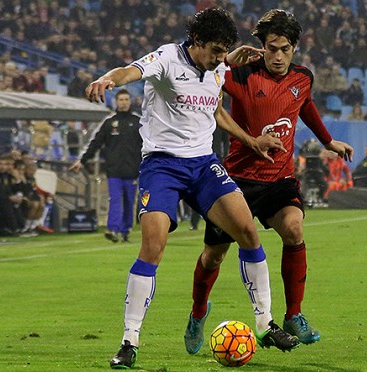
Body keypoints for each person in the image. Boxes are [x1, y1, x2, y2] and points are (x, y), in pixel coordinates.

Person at [84, 8, 296, 369]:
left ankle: (264, 325)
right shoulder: (167, 57)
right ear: (196, 41)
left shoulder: (217, 66)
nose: (219, 58)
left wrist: (250, 140)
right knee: (153, 246)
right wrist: (108, 79)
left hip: (203, 165)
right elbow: (130, 71)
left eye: (223, 51)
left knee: (248, 231)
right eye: (215, 50)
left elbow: (215, 111)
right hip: (162, 165)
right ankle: (129, 341)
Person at [185, 9, 354, 355]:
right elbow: (206, 80)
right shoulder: (241, 75)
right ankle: (198, 312)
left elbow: (305, 106)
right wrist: (227, 62)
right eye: (272, 49)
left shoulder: (303, 78)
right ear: (261, 47)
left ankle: (294, 315)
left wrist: (327, 141)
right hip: (237, 181)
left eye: (285, 49)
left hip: (280, 180)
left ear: (294, 48)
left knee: (294, 229)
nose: (278, 56)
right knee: (213, 257)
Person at [69, 89, 142, 243]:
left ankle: (126, 229)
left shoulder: (138, 122)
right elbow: (95, 143)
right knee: (115, 200)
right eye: (121, 99)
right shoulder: (109, 123)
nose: (124, 102)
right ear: (116, 102)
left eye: (126, 99)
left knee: (129, 202)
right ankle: (113, 229)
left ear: (130, 102)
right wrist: (82, 160)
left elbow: (148, 145)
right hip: (114, 171)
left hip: (132, 171)